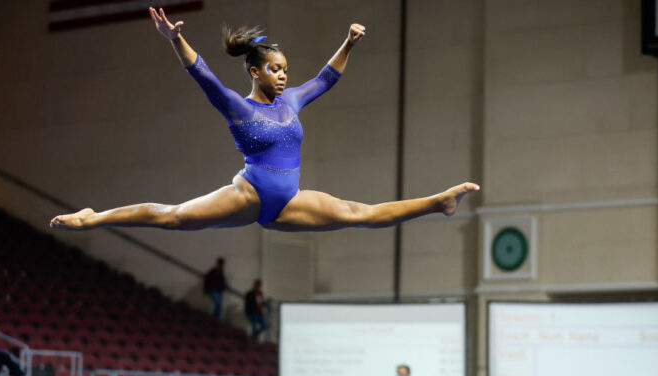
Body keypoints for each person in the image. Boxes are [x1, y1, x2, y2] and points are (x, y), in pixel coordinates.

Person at [50, 8, 479, 236]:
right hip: (251, 193)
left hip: (288, 202)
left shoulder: (292, 100)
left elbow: (325, 79)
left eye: (285, 68)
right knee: (174, 217)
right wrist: (175, 38)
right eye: (275, 68)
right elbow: (205, 77)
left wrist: (348, 43)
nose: (283, 75)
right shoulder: (240, 107)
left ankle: (438, 201)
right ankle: (93, 217)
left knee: (357, 214)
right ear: (255, 71)